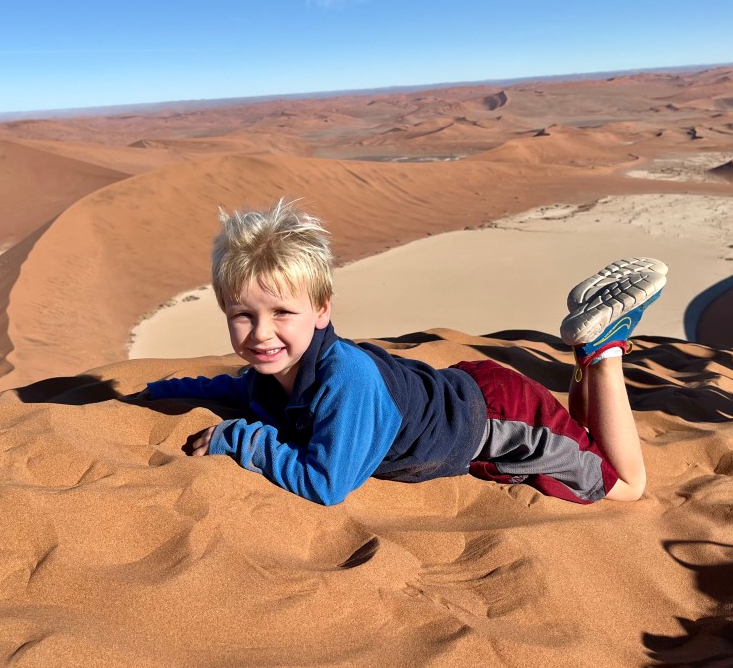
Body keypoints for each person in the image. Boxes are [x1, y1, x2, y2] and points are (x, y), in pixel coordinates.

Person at [136, 199, 666, 506]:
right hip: (473, 392)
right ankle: (590, 360)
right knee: (587, 447)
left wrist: (239, 438)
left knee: (625, 486)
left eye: (281, 314)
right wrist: (153, 395)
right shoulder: (279, 373)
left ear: (322, 310)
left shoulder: (346, 382)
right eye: (242, 316)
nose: (259, 334)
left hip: (505, 422)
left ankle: (605, 351)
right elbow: (226, 389)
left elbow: (326, 484)